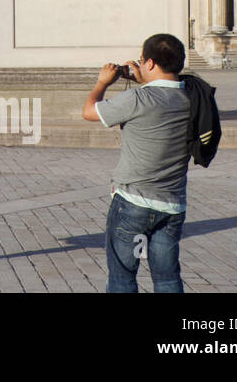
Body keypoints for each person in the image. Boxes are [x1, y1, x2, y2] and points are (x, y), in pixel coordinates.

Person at [81, 33, 191, 293]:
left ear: (150, 63)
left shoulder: (138, 99)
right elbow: (163, 92)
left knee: (122, 278)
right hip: (172, 203)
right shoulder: (190, 98)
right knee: (167, 278)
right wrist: (145, 80)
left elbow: (89, 112)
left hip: (133, 201)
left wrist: (102, 82)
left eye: (142, 61)